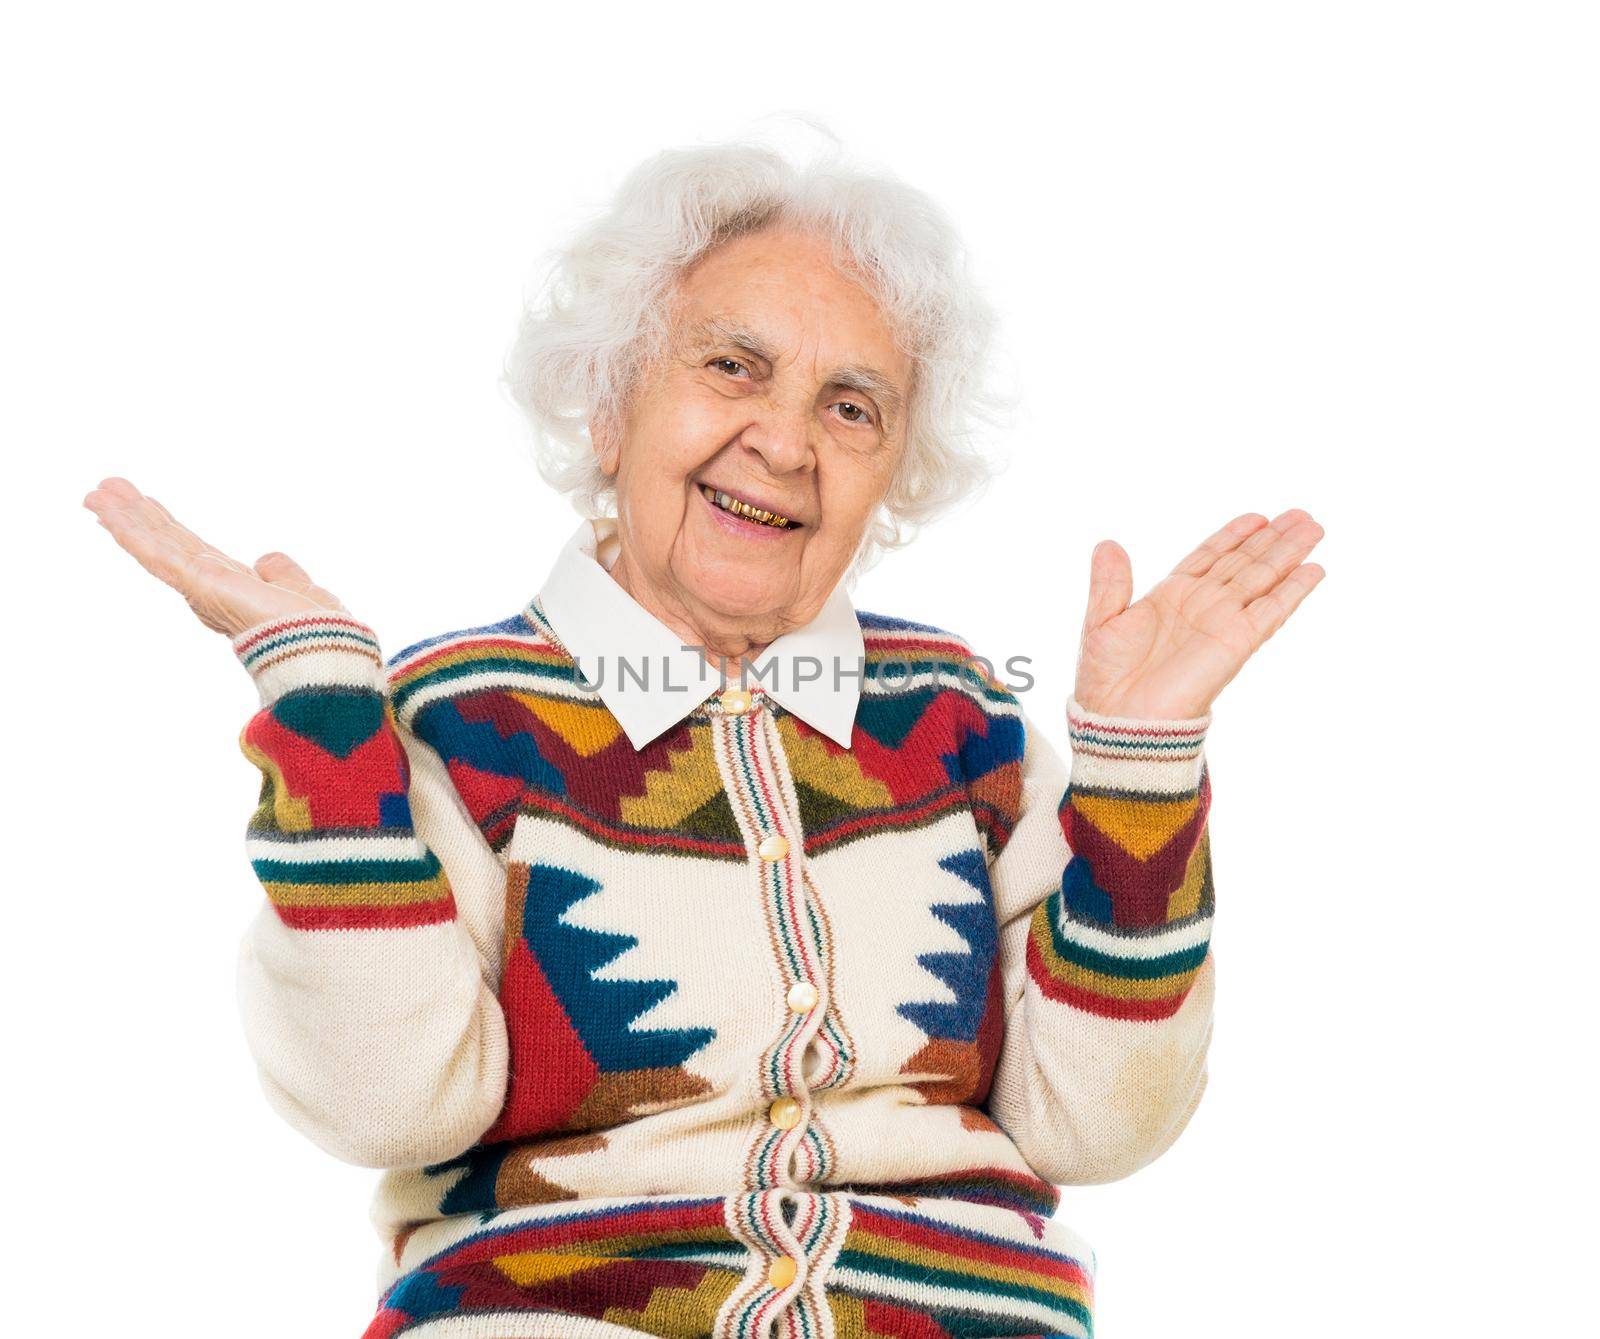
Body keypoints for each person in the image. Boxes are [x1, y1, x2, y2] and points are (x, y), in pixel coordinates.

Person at [83, 137, 1325, 1339]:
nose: (785, 443)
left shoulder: (963, 721)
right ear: (608, 402)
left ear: (893, 471)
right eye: (732, 367)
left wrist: (1137, 762)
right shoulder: (453, 723)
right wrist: (323, 716)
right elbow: (383, 1102)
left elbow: (1099, 1126)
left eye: (851, 407)